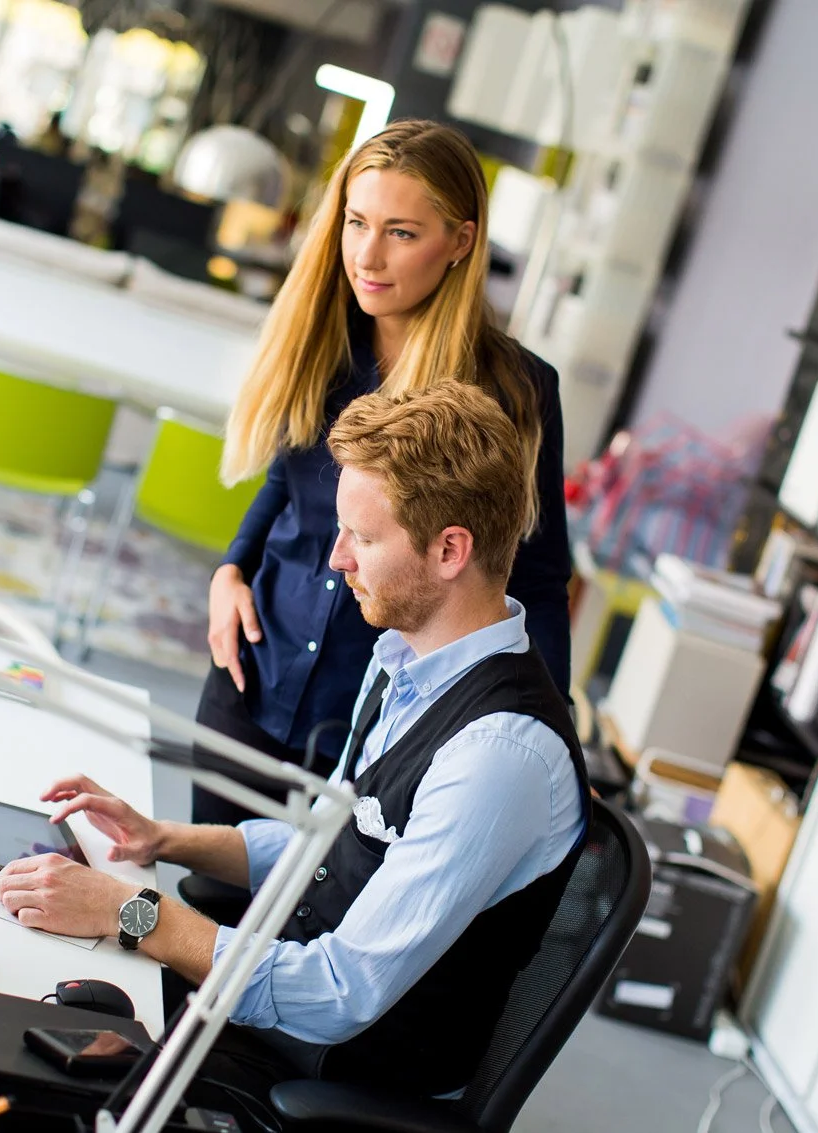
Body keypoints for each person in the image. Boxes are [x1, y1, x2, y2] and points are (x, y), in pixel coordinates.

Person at [0, 384, 589, 1119]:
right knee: (15, 1007)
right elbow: (332, 844)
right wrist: (168, 840)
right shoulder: (402, 656)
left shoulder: (502, 757)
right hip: (278, 1007)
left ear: (450, 549)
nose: (337, 558)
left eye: (363, 538)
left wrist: (134, 912)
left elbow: (339, 993)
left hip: (337, 1074)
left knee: (31, 1083)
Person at [196, 118, 573, 827]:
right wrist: (230, 570)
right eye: (356, 223)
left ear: (460, 242)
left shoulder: (517, 392)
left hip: (385, 731)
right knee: (198, 903)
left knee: (310, 929)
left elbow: (540, 579)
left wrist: (549, 732)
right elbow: (287, 483)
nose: (367, 255)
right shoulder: (320, 338)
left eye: (401, 232)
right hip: (251, 678)